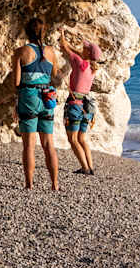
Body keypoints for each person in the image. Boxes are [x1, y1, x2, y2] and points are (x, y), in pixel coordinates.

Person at [12, 17, 59, 190]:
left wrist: (15, 102)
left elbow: (17, 82)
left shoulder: (21, 52)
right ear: (43, 32)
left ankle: (29, 184)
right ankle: (54, 184)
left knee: (29, 145)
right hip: (47, 97)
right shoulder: (51, 51)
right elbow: (55, 74)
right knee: (48, 144)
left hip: (29, 97)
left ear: (26, 32)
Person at [58, 30, 102, 175]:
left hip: (75, 104)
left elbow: (64, 46)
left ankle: (85, 168)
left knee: (73, 139)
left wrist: (62, 33)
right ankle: (90, 167)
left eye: (85, 48)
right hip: (87, 106)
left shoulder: (78, 62)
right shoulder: (92, 68)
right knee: (82, 138)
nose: (82, 48)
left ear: (88, 52)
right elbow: (78, 53)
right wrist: (77, 49)